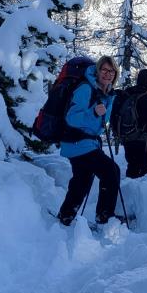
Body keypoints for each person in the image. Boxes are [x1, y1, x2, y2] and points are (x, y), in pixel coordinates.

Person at [57, 55, 122, 226]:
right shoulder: (86, 89)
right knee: (111, 171)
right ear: (97, 71)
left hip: (85, 143)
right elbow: (71, 118)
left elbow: (99, 122)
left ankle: (66, 216)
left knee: (82, 180)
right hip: (78, 141)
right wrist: (93, 112)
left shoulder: (108, 94)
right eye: (104, 70)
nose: (108, 74)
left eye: (112, 71)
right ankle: (105, 217)